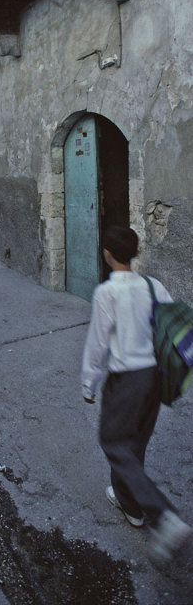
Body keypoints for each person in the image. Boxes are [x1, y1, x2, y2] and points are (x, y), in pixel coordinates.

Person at [81, 225, 192, 562]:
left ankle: (162, 515)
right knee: (134, 443)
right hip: (154, 378)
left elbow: (98, 343)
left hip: (125, 381)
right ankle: (131, 505)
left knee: (114, 443)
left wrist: (89, 383)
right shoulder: (153, 285)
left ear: (107, 254)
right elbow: (172, 322)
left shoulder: (107, 293)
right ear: (135, 252)